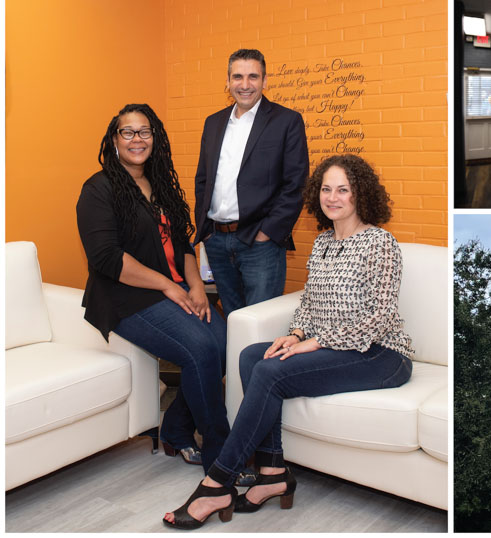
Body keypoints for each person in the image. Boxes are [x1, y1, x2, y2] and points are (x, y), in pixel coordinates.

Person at [163, 155, 414, 529]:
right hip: (335, 346)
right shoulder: (323, 243)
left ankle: (217, 482)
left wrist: (313, 343)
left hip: (380, 354)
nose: (333, 197)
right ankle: (272, 471)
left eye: (343, 189)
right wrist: (295, 334)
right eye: (326, 189)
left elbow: (376, 318)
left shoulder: (379, 243)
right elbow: (309, 304)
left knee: (268, 372)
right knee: (252, 355)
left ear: (360, 194)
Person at [76, 104, 229, 474]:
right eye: (127, 132)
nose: (136, 139)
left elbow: (182, 243)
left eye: (144, 132)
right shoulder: (98, 189)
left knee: (224, 342)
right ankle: (222, 457)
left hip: (171, 289)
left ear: (155, 138)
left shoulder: (160, 184)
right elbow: (107, 259)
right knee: (201, 348)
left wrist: (193, 285)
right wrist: (169, 286)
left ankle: (175, 430)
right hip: (125, 297)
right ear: (114, 140)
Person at [194, 48, 309, 316]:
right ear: (228, 81)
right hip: (217, 241)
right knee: (234, 319)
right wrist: (207, 231)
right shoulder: (213, 123)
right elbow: (203, 179)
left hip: (260, 243)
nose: (245, 85)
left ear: (265, 81)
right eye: (238, 77)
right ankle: (236, 361)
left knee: (259, 324)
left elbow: (296, 184)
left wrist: (266, 233)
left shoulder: (286, 121)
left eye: (253, 77)